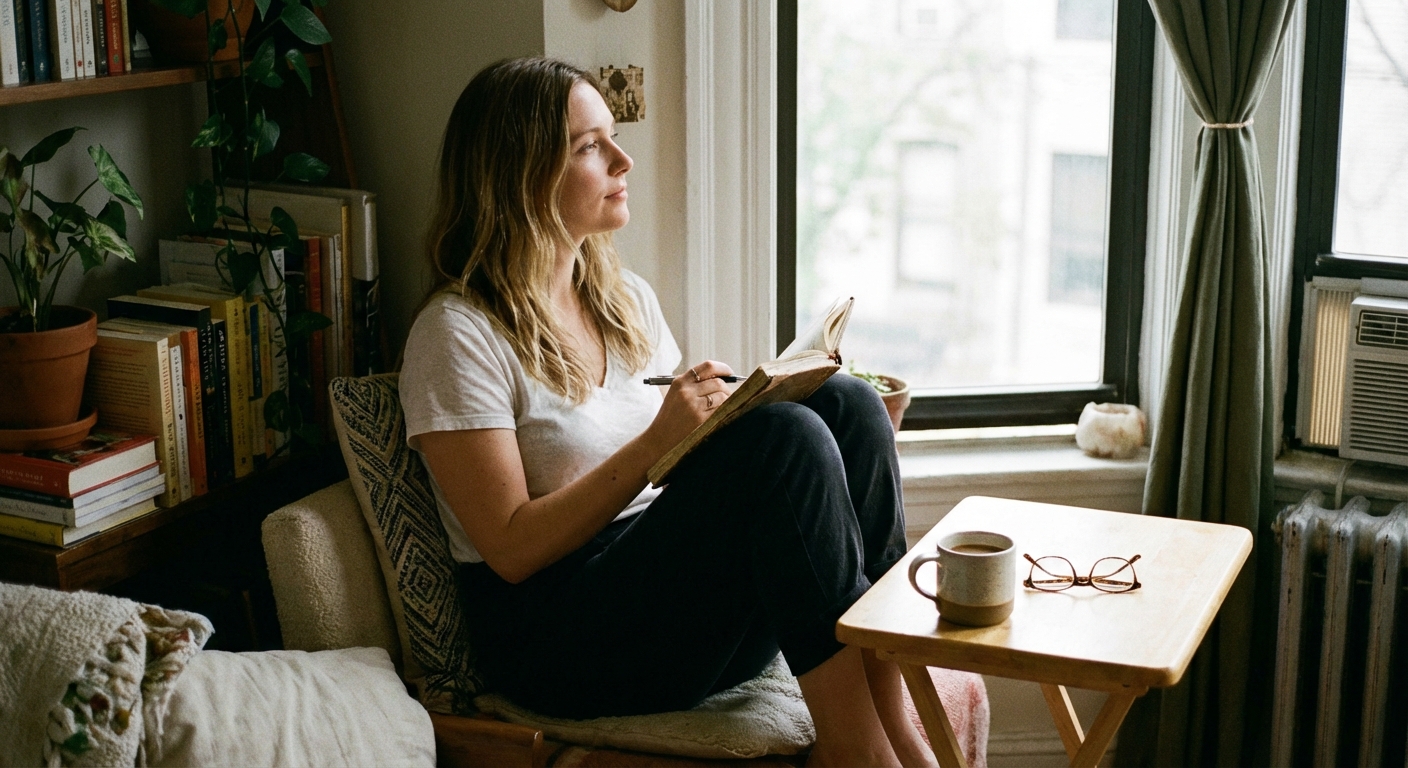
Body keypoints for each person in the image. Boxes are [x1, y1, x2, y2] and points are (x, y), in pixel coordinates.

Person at [399, 57, 936, 768]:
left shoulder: (624, 300)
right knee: (785, 440)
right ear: (519, 175)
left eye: (612, 137)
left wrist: (725, 414)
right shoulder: (454, 334)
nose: (623, 159)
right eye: (590, 146)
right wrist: (661, 441)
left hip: (655, 592)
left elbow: (685, 473)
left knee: (847, 402)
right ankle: (857, 752)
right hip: (557, 643)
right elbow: (510, 547)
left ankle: (894, 722)